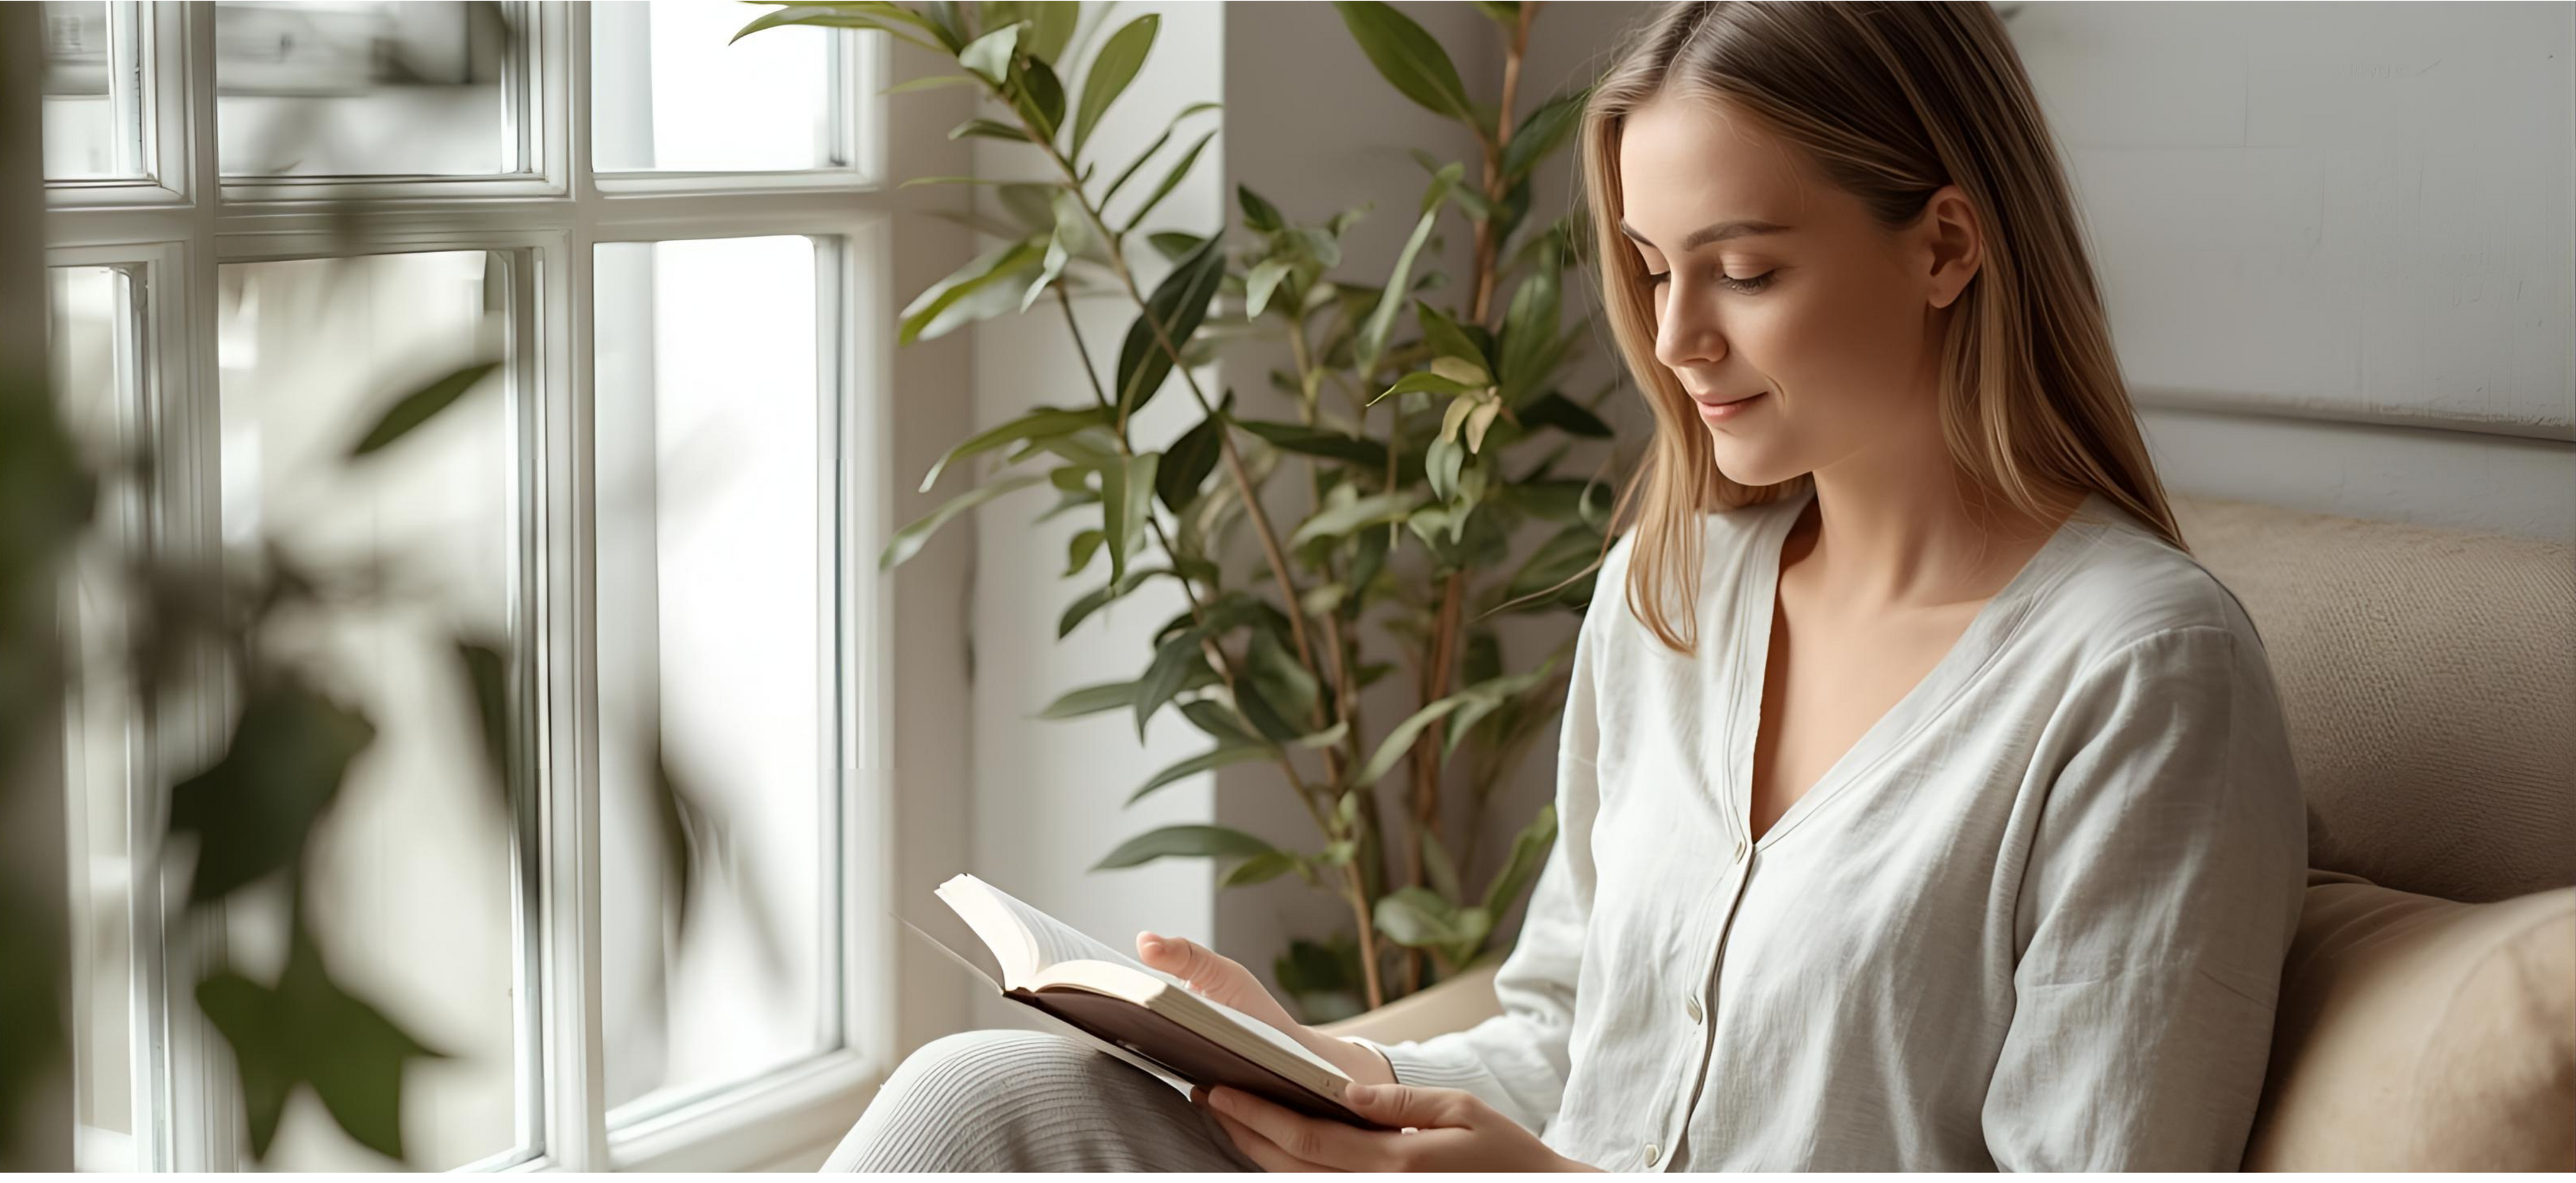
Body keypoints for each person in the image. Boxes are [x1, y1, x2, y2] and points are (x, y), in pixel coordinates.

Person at [823, 0, 2308, 1171]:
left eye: (1744, 269)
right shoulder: (1673, 595)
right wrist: (1344, 1073)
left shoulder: (2143, 676)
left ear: (1945, 244)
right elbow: (1571, 1029)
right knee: (981, 1103)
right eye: (1656, 269)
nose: (1675, 341)